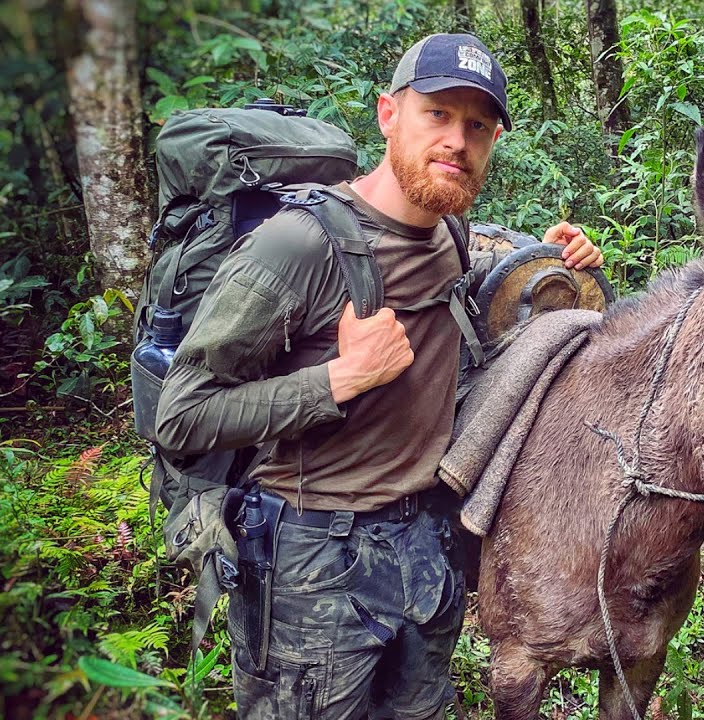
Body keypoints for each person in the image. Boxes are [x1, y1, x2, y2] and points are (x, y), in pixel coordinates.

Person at [155, 32, 603, 719]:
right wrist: (339, 379)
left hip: (427, 545)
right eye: (438, 115)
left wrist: (558, 256)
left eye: (477, 125)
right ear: (388, 114)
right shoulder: (298, 245)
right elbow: (183, 415)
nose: (457, 140)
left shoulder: (451, 235)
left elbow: (500, 291)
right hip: (311, 558)